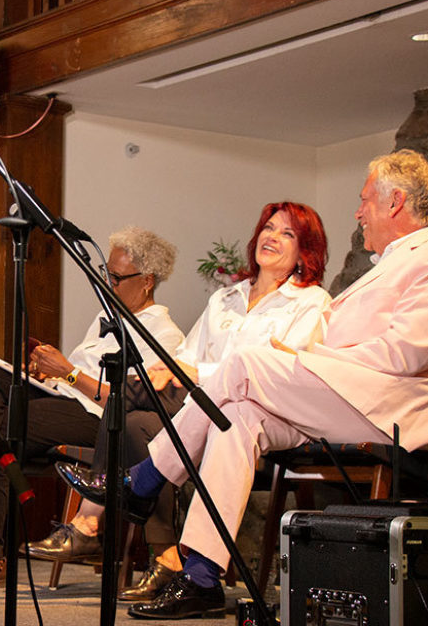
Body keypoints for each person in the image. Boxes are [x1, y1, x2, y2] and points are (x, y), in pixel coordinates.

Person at [68, 149, 428, 620]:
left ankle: (144, 480)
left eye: (365, 200)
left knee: (245, 362)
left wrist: (311, 359)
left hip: (388, 406)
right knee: (236, 418)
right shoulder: (397, 258)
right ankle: (201, 576)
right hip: (348, 396)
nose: (358, 211)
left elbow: (405, 354)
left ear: (395, 202)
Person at [46, 201, 331, 603]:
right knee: (133, 419)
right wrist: (170, 372)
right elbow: (187, 360)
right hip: (197, 410)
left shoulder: (312, 302)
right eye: (268, 227)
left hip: (269, 414)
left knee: (141, 404)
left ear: (306, 250)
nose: (272, 237)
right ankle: (166, 557)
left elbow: (286, 371)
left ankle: (115, 504)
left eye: (287, 233)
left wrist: (193, 375)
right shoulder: (225, 299)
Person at [0, 227, 185, 590]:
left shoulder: (163, 334)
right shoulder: (106, 320)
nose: (106, 282)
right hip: (65, 403)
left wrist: (67, 372)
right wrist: (49, 377)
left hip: (98, 420)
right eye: (104, 272)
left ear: (146, 282)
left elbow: (125, 400)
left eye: (115, 277)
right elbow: (74, 380)